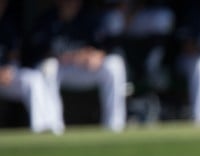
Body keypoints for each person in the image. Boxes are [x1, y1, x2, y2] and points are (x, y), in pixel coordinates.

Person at [25, 0, 128, 132]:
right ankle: (53, 127)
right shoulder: (47, 20)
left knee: (115, 64)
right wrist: (72, 56)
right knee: (47, 67)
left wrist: (97, 54)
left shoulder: (89, 17)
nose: (71, 3)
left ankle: (115, 126)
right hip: (62, 69)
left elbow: (107, 46)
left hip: (86, 69)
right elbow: (37, 52)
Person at [100, 0, 176, 123]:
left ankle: (151, 68)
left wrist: (135, 10)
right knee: (114, 19)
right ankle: (125, 74)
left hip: (141, 15)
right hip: (122, 17)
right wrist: (125, 11)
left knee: (163, 16)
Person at [0, 0, 62, 133]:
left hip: (4, 78)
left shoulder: (6, 26)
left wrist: (10, 68)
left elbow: (13, 55)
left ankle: (43, 129)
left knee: (33, 78)